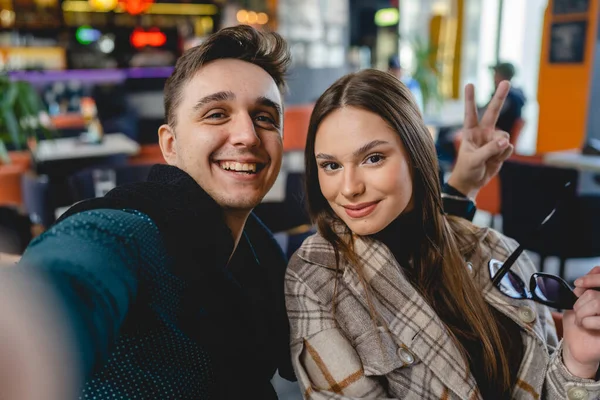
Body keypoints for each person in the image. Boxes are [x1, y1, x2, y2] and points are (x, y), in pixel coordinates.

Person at [0, 26, 511, 400]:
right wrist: (31, 319)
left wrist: (458, 183)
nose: (246, 134)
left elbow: (382, 257)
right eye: (216, 114)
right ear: (170, 144)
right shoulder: (129, 230)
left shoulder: (263, 254)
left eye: (263, 117)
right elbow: (76, 274)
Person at [285, 69, 600, 399]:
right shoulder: (318, 276)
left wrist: (576, 364)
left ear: (416, 154)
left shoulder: (495, 250)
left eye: (373, 158)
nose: (349, 188)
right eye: (331, 166)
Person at [486, 62, 526, 136]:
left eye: (495, 74)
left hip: (497, 135)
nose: (493, 78)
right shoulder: (516, 94)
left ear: (502, 76)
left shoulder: (506, 96)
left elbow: (487, 117)